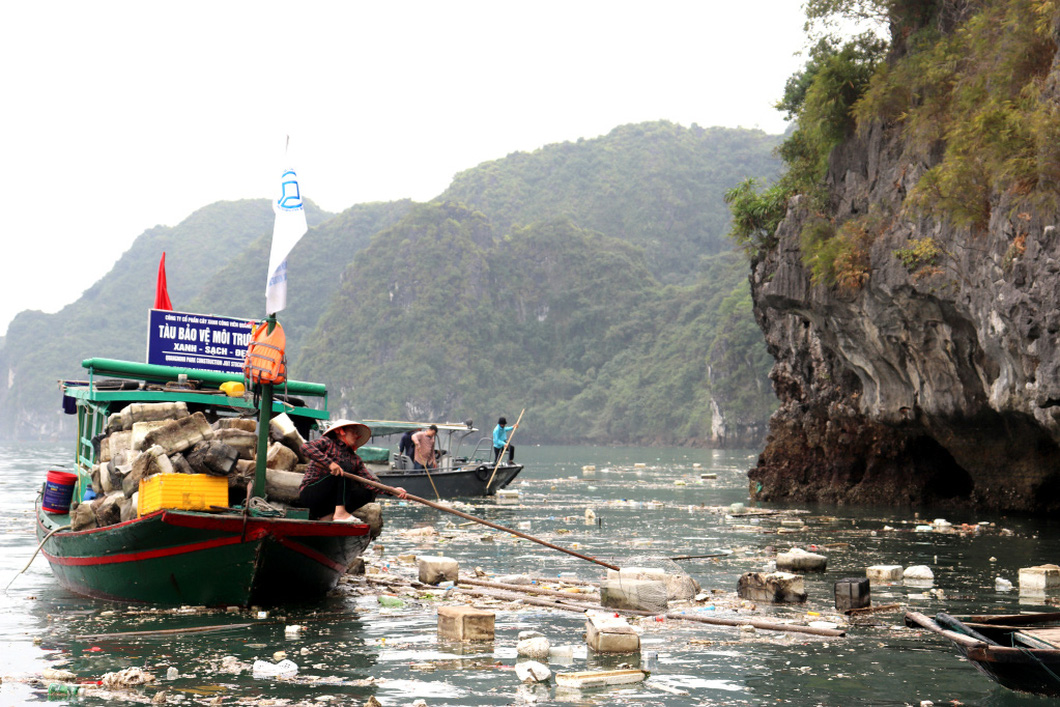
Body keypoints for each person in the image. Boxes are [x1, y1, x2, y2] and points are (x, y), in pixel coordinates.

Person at [299, 419, 407, 521]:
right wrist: (330, 464)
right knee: (343, 468)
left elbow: (370, 482)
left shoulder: (354, 459)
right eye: (354, 432)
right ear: (340, 431)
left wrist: (393, 491)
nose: (357, 435)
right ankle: (340, 513)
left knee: (367, 492)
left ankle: (330, 515)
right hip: (311, 494)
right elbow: (305, 447)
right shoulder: (327, 443)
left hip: (330, 502)